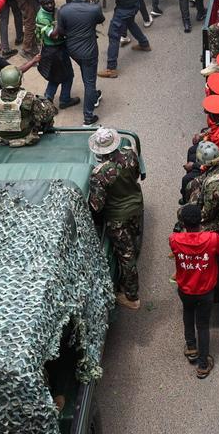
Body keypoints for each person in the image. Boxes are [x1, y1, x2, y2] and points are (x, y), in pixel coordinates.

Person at [87, 127, 144, 311]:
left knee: (126, 257)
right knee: (133, 244)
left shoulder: (100, 173)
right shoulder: (130, 155)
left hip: (117, 218)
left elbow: (96, 205)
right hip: (136, 206)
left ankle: (131, 296)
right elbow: (135, 175)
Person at [170, 204, 219, 379]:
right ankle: (203, 365)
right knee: (202, 325)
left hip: (185, 289)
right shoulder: (213, 238)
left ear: (183, 223)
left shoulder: (174, 239)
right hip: (205, 291)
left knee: (188, 314)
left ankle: (191, 348)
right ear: (201, 220)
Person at [76, 0, 152, 80]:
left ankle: (111, 68)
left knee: (113, 34)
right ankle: (144, 44)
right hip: (133, 3)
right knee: (130, 23)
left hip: (125, 8)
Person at [56, 0, 105, 125]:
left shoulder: (64, 10)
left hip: (72, 49)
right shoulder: (94, 8)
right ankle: (88, 118)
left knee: (86, 72)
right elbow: (101, 20)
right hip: (89, 50)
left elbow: (60, 30)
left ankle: (94, 96)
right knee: (89, 82)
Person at [0, 64, 52, 147]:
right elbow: (45, 117)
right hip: (26, 136)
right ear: (19, 80)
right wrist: (45, 102)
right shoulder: (28, 98)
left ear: (1, 81)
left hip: (3, 139)